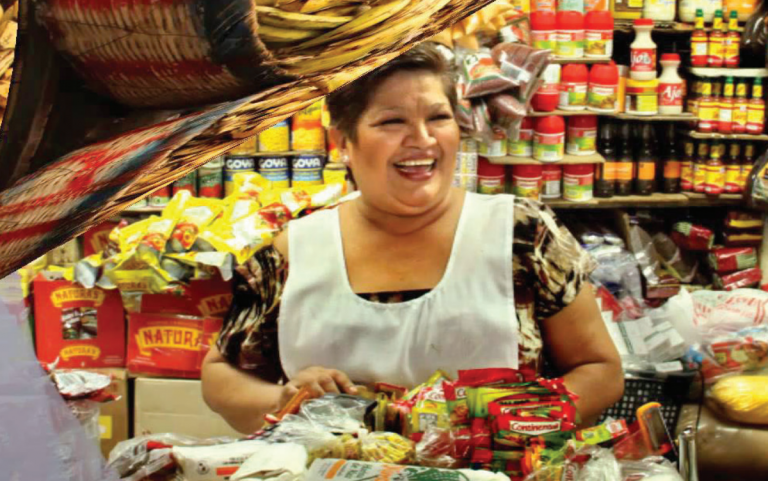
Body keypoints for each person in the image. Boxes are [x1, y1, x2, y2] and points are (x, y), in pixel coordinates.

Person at [202, 43, 623, 434]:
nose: (422, 139)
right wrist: (285, 399)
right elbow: (220, 378)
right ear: (343, 143)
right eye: (392, 121)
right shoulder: (293, 251)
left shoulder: (522, 235)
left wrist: (512, 424)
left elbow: (600, 370)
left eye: (438, 118)